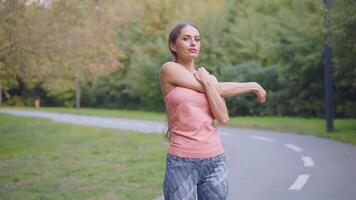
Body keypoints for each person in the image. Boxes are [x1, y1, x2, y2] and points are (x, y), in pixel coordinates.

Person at [159, 23, 267, 200]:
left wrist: (208, 83)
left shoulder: (209, 79)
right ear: (173, 46)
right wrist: (252, 85)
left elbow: (223, 118)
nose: (193, 43)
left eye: (197, 39)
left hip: (215, 160)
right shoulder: (169, 70)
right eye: (186, 39)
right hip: (181, 161)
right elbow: (219, 89)